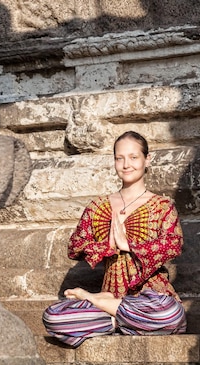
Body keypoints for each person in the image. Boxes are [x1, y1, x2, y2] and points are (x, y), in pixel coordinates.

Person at [42, 131, 186, 347]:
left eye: (133, 157)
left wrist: (128, 245)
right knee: (53, 317)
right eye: (120, 158)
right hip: (111, 293)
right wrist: (106, 246)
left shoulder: (162, 206)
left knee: (170, 314)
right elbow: (74, 247)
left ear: (147, 160)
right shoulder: (98, 206)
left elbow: (173, 244)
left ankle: (99, 304)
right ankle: (124, 319)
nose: (126, 164)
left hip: (150, 298)